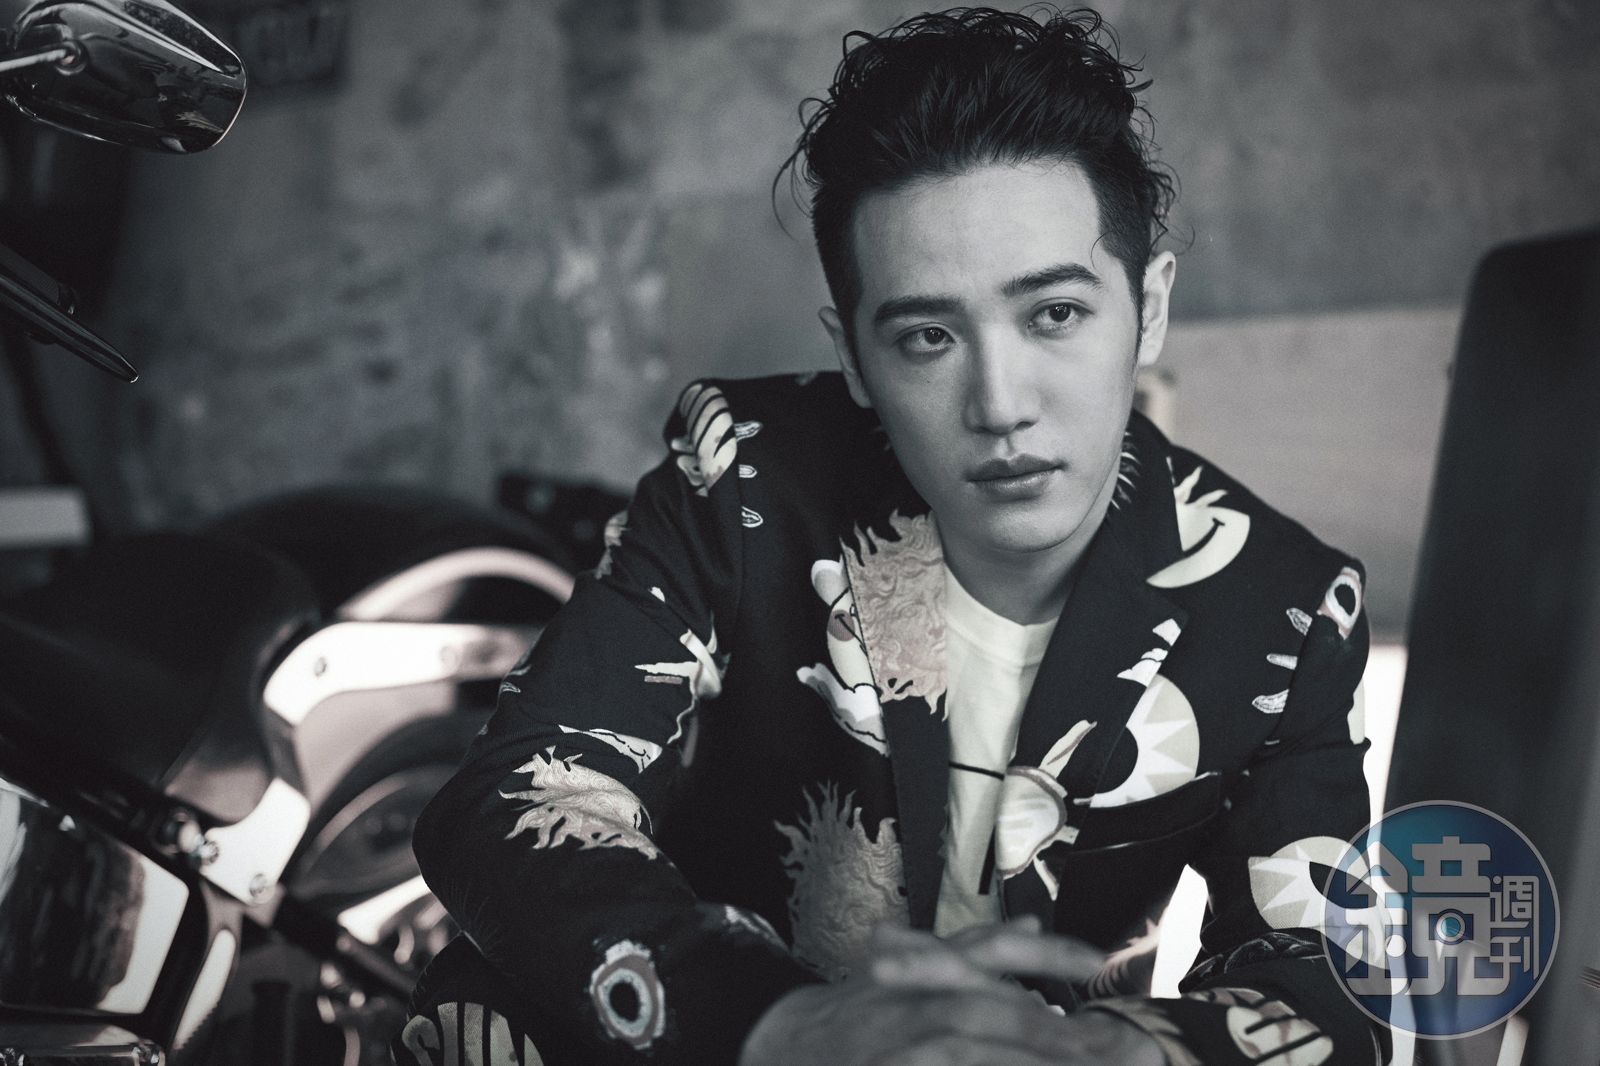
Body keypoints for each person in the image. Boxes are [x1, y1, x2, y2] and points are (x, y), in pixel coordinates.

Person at [398, 8, 1381, 1064]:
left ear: (1149, 308)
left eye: (1054, 315)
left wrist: (1100, 1054)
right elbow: (514, 797)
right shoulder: (743, 485)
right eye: (926, 336)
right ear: (856, 359)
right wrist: (778, 1021)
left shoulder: (1283, 608)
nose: (1000, 404)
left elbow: (1322, 973)